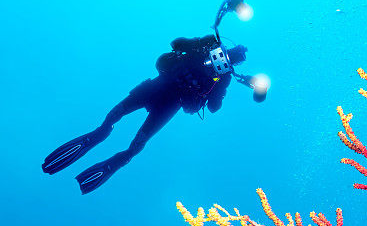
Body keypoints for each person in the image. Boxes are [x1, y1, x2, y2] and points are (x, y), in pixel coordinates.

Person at [42, 35, 248, 194]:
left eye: (235, 59)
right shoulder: (205, 48)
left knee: (137, 143)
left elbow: (213, 107)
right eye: (232, 53)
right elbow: (176, 43)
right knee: (116, 115)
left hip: (168, 105)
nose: (229, 58)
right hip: (158, 88)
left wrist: (222, 83)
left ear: (236, 64)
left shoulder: (223, 79)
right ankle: (100, 134)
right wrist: (202, 42)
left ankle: (115, 160)